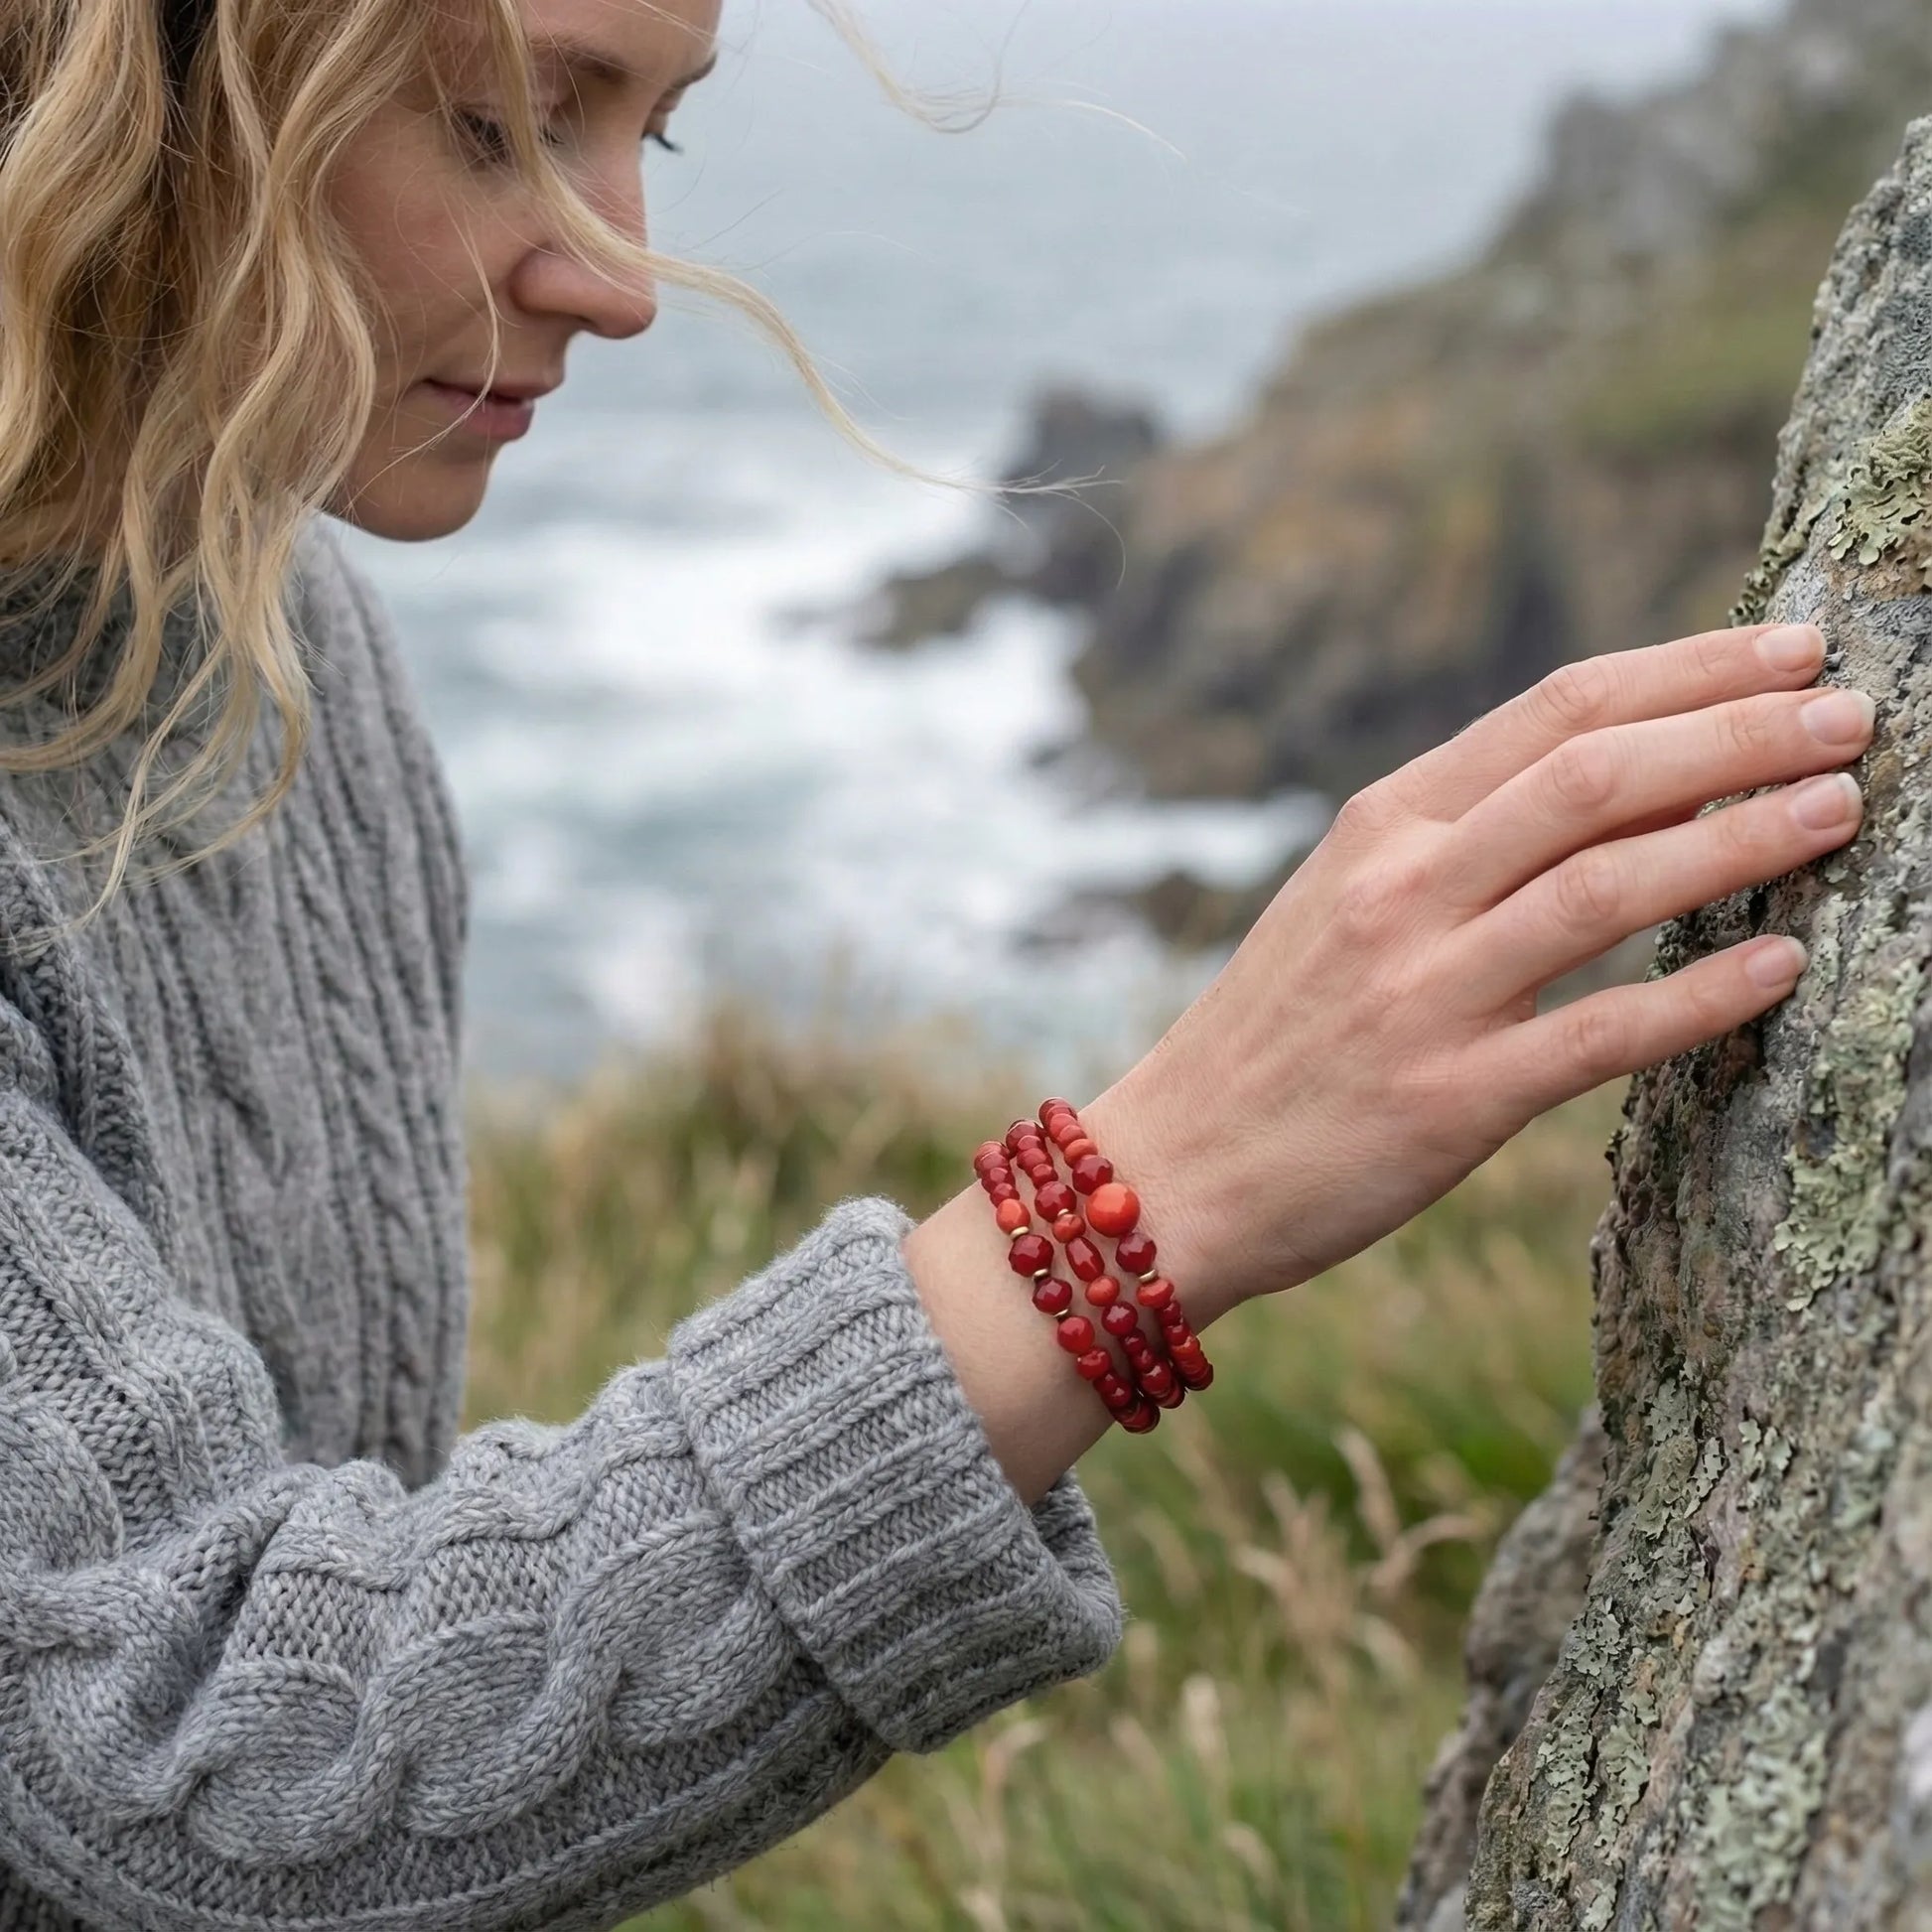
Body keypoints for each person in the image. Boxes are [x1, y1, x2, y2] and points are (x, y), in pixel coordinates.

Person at [0, 0, 1874, 1926]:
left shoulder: (272, 648)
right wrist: (1140, 1207)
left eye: (661, 131)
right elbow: (168, 1751)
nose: (624, 274)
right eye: (510, 122)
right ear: (144, 74)